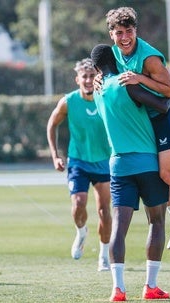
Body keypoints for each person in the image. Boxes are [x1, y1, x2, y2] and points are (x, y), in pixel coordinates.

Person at [100, 6, 170, 250]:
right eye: (119, 32)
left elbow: (169, 91)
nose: (124, 37)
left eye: (129, 31)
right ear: (111, 34)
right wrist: (98, 78)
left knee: (168, 174)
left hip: (164, 117)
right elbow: (107, 74)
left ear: (136, 30)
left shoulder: (149, 57)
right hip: (143, 120)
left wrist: (140, 78)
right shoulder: (114, 54)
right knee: (153, 175)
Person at [91, 43, 170, 302]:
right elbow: (164, 105)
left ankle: (118, 289)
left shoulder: (98, 91)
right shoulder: (127, 84)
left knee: (119, 227)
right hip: (146, 162)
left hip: (118, 165)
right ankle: (150, 286)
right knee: (156, 222)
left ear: (95, 69)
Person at [47, 58, 112, 272]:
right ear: (77, 79)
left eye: (92, 76)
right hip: (78, 161)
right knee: (78, 203)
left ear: (98, 78)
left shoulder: (106, 98)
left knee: (104, 211)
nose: (88, 80)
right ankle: (82, 232)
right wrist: (55, 155)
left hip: (104, 161)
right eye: (84, 76)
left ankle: (103, 256)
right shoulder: (69, 101)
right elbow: (52, 124)